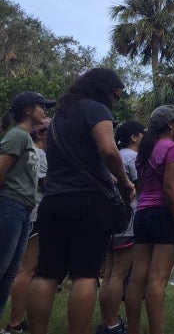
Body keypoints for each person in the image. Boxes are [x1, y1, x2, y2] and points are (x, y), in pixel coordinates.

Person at [27, 69, 135, 334]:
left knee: (46, 272)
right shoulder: (97, 110)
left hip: (53, 201)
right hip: (89, 202)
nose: (115, 101)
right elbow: (108, 150)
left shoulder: (59, 119)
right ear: (104, 90)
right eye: (115, 96)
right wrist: (124, 181)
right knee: (85, 274)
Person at [125, 106, 174, 334]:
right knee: (157, 280)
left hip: (143, 214)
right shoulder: (172, 148)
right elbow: (169, 187)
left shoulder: (145, 150)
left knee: (137, 279)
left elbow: (143, 186)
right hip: (164, 213)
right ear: (170, 125)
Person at [0, 92, 54, 328]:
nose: (45, 111)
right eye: (42, 107)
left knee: (10, 272)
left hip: (24, 210)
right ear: (28, 110)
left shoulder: (27, 141)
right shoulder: (17, 136)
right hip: (9, 206)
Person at [96, 121, 146, 334]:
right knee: (119, 274)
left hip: (111, 219)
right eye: (143, 134)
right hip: (128, 221)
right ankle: (114, 325)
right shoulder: (133, 158)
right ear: (134, 137)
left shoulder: (115, 157)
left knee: (109, 273)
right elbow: (141, 185)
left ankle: (108, 320)